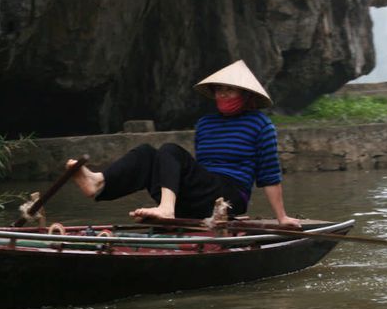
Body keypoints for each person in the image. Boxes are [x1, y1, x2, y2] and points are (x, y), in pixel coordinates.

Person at [69, 59, 303, 228]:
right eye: (218, 90)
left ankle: (167, 209)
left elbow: (270, 176)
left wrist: (282, 217)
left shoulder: (260, 125)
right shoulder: (205, 124)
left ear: (246, 95)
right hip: (202, 191)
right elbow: (199, 169)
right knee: (147, 153)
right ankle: (99, 182)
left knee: (171, 150)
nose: (222, 95)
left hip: (230, 195)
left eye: (229, 90)